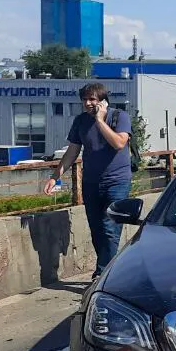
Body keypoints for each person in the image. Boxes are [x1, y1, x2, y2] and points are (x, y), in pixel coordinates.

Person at [54, 83, 133, 281]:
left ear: (103, 101)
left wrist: (100, 121)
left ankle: (102, 273)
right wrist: (55, 176)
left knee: (109, 228)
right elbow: (73, 151)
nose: (88, 103)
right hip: (91, 182)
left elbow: (119, 143)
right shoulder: (80, 121)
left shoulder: (119, 117)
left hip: (117, 181)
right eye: (85, 100)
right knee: (97, 229)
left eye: (92, 99)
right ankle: (110, 270)